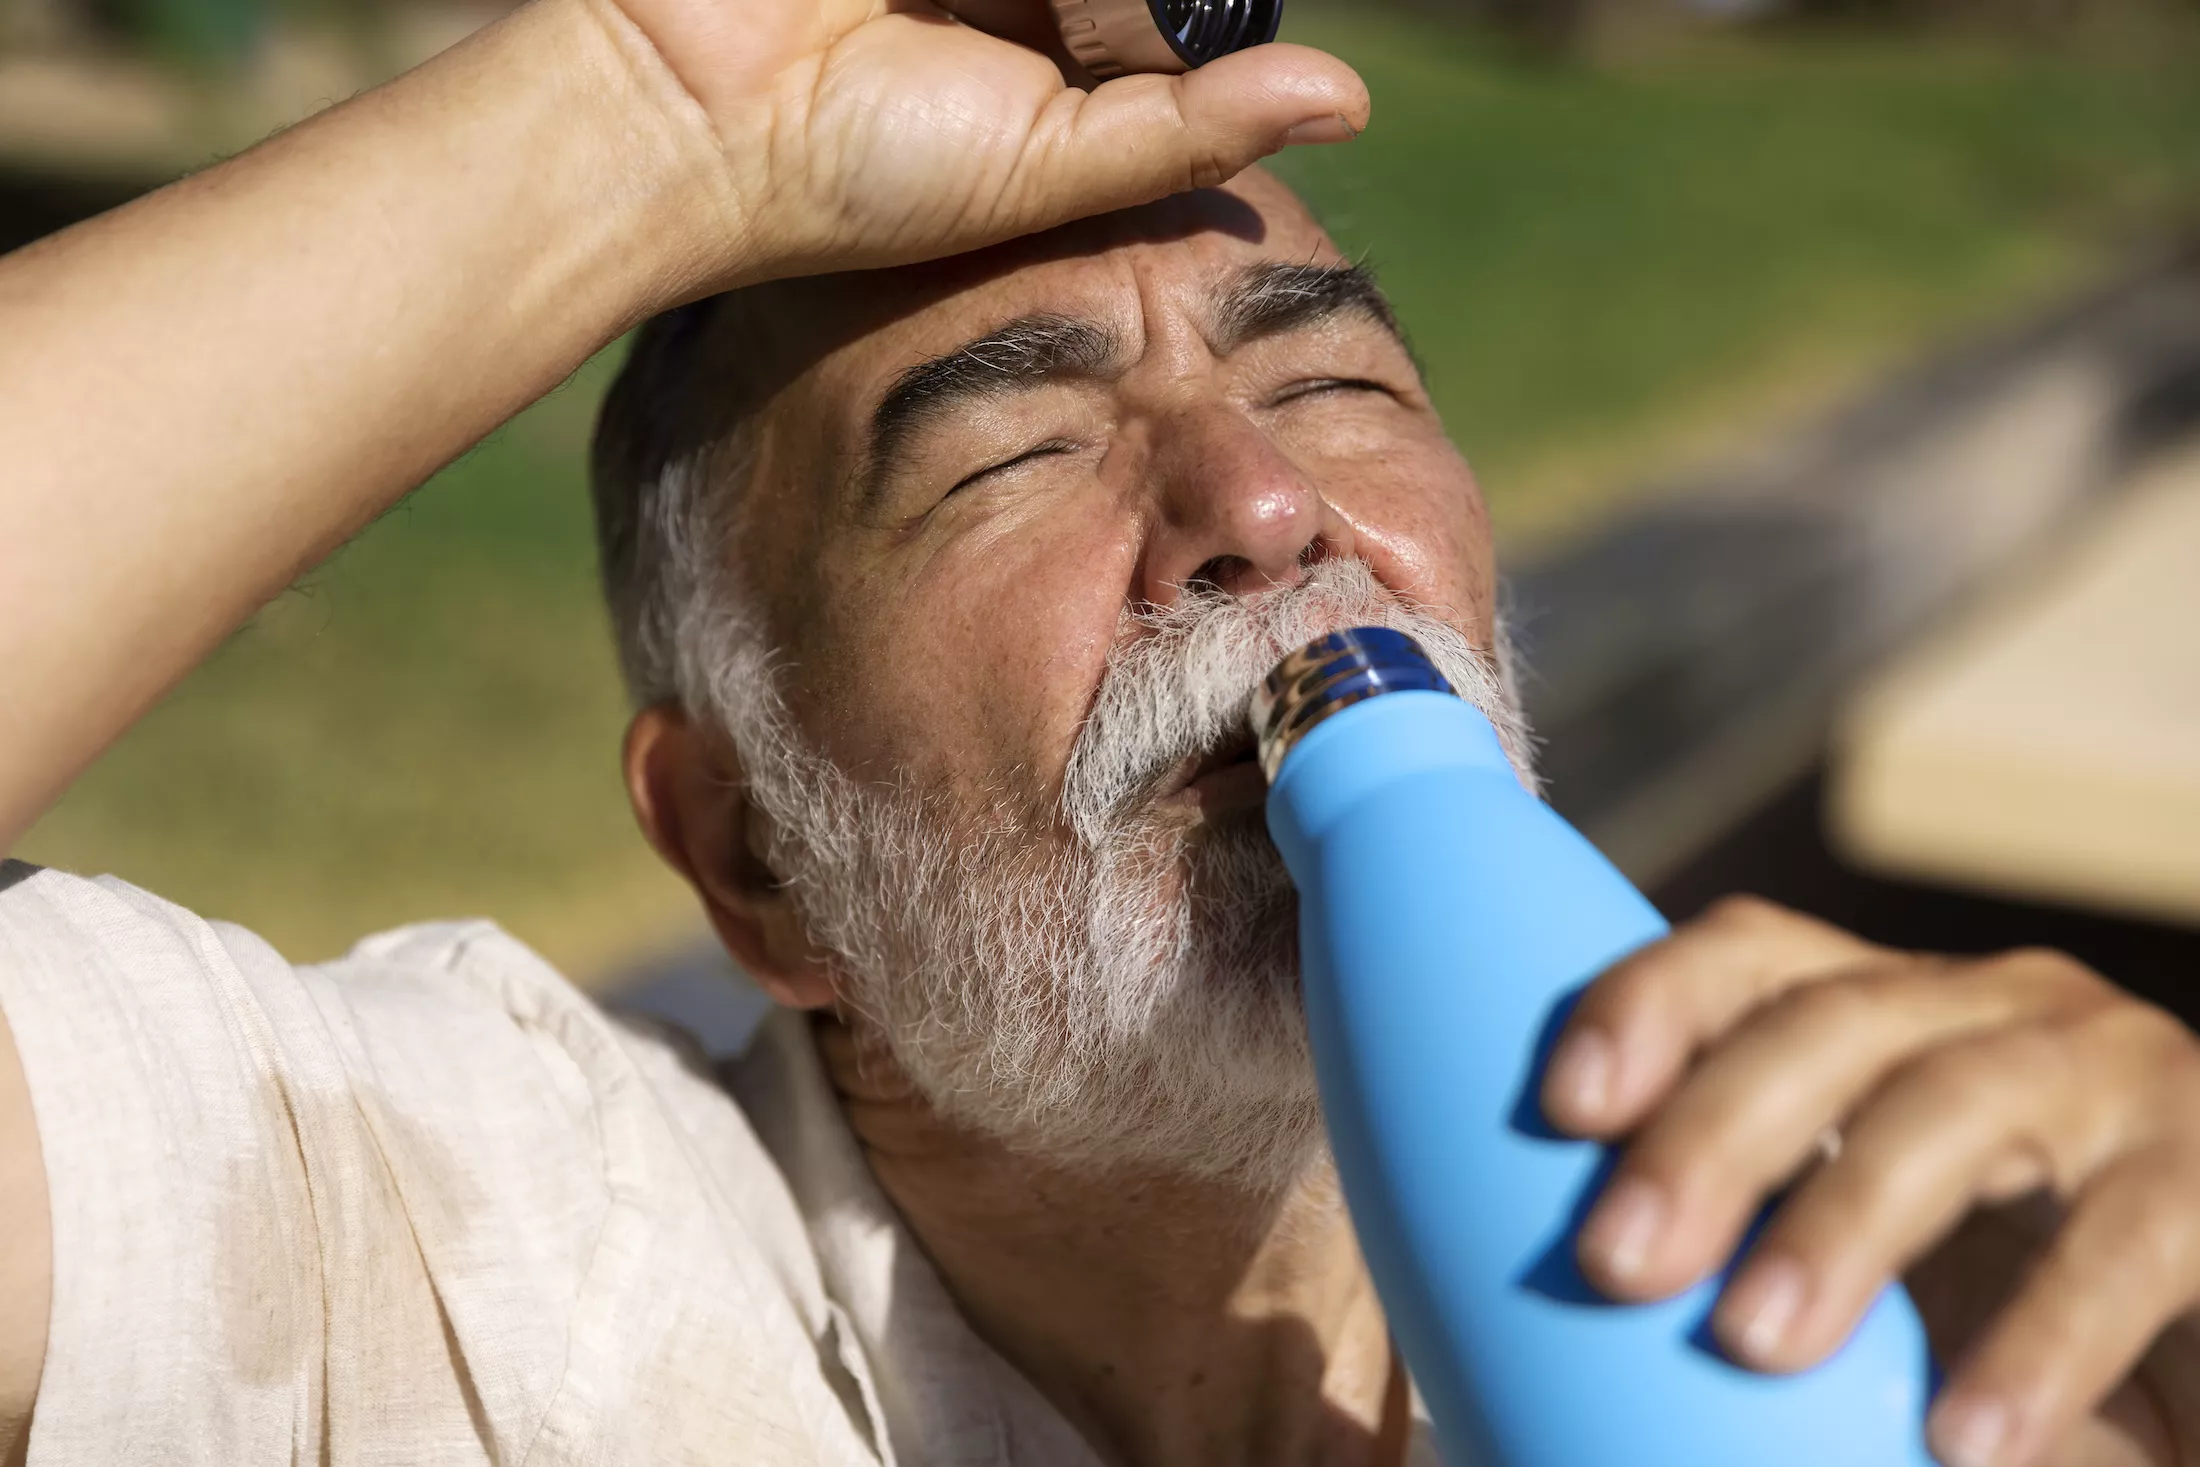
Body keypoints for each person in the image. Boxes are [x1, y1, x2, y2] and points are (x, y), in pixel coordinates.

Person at [0, 2, 2196, 1464]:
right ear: (752, 854)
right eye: (1008, 458)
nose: (1258, 508)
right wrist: (643, 114)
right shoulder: (442, 1253)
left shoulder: (1920, 1269)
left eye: (1331, 386)